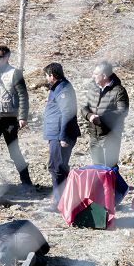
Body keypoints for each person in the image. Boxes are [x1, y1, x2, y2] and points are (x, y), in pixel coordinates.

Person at [0, 44, 33, 191]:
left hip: (9, 117)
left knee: (14, 150)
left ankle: (26, 181)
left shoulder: (15, 73)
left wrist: (22, 117)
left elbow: (23, 96)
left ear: (7, 58)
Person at [41, 62, 79, 208]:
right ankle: (65, 199)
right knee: (58, 167)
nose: (46, 78)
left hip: (60, 135)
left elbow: (67, 114)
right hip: (55, 134)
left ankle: (59, 202)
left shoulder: (63, 89)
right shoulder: (57, 88)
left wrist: (63, 136)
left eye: (47, 75)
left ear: (53, 76)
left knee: (56, 167)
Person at [81, 60, 130, 168]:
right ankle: (101, 185)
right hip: (94, 135)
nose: (93, 76)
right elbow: (84, 107)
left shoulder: (119, 91)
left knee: (110, 167)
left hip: (110, 135)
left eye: (95, 74)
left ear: (104, 76)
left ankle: (114, 185)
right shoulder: (93, 89)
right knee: (97, 166)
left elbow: (122, 111)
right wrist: (90, 116)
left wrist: (102, 119)